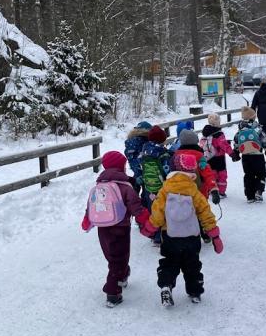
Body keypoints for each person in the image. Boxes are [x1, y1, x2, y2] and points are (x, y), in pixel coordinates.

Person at [141, 152, 224, 307]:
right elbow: (205, 213)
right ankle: (195, 292)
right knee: (192, 264)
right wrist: (215, 235)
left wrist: (149, 228)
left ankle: (166, 285)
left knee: (169, 263)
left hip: (170, 235)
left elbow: (157, 212)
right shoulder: (194, 191)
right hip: (191, 236)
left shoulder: (165, 190)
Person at [81, 151, 153, 307]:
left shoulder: (99, 185)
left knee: (112, 256)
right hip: (120, 227)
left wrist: (87, 221)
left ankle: (122, 273)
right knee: (119, 257)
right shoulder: (125, 186)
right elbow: (136, 207)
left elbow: (90, 205)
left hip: (103, 228)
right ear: (121, 167)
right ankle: (113, 292)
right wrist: (147, 221)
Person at [231, 106, 266, 203]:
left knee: (248, 175)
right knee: (261, 174)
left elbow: (236, 142)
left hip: (246, 157)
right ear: (253, 117)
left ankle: (249, 196)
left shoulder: (240, 130)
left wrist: (236, 153)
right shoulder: (257, 128)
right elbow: (265, 140)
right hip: (258, 155)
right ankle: (259, 190)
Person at [201, 113, 234, 198]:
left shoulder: (205, 133)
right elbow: (224, 145)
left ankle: (212, 190)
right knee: (222, 174)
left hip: (209, 157)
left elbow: (202, 144)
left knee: (212, 174)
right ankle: (221, 192)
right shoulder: (219, 134)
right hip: (219, 157)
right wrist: (232, 153)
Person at [124, 121, 152, 191]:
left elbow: (130, 157)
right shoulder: (145, 141)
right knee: (147, 192)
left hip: (137, 169)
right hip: (147, 171)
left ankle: (134, 198)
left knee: (136, 187)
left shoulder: (130, 142)